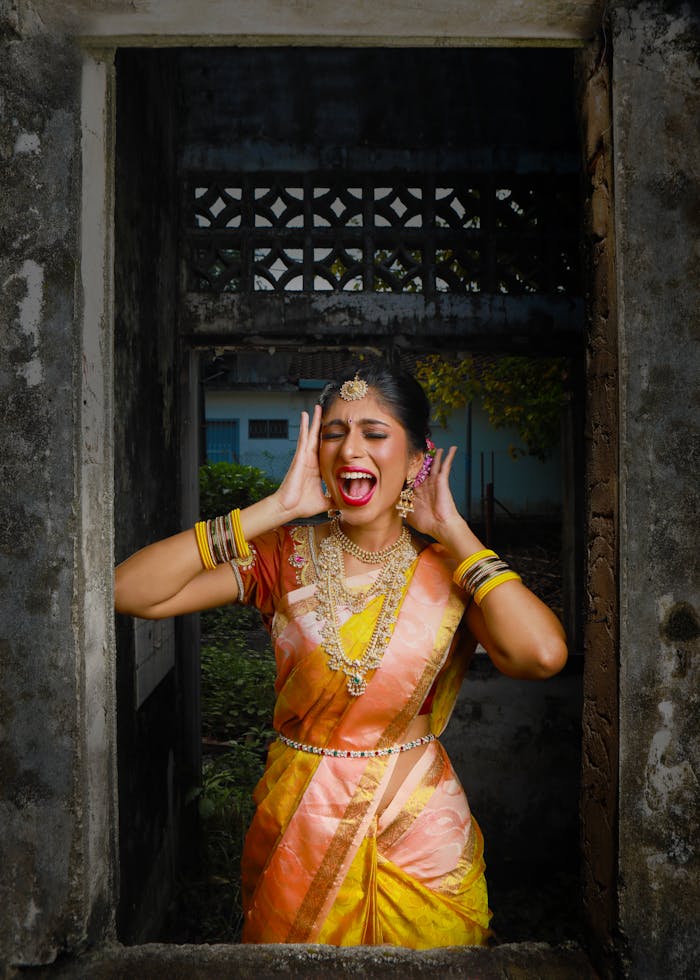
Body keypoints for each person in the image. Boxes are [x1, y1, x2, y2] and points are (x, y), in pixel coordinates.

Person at [114, 362, 567, 948]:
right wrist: (270, 511)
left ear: (417, 459)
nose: (351, 447)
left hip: (419, 835)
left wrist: (455, 533)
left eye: (375, 433)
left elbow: (543, 654)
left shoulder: (453, 572)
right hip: (299, 826)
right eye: (334, 432)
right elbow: (130, 592)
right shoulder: (282, 556)